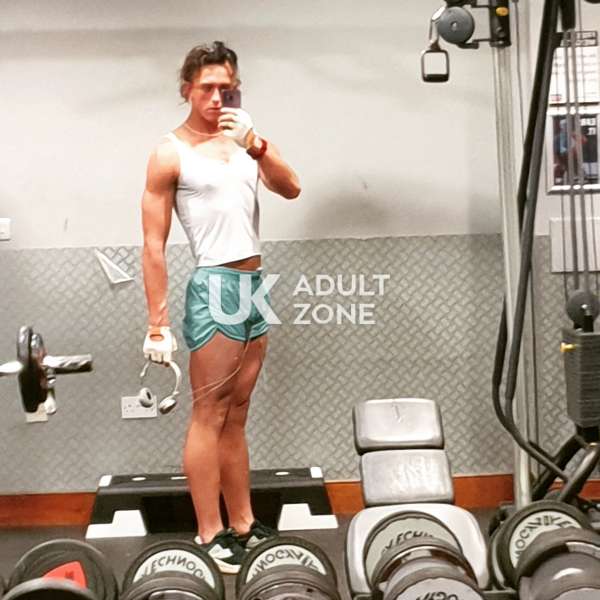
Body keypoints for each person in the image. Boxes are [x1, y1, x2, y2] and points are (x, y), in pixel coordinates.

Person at [140, 41, 301, 573]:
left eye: (226, 88)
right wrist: (158, 323)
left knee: (238, 412)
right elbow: (153, 245)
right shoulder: (170, 152)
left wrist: (255, 143)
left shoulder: (244, 141)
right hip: (215, 285)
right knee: (209, 412)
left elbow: (291, 188)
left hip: (254, 284)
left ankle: (244, 522)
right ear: (187, 88)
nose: (216, 98)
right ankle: (210, 532)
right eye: (207, 88)